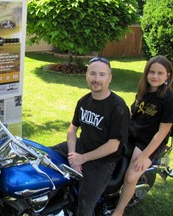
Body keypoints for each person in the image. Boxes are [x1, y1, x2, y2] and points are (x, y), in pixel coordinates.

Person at [52, 57, 130, 216]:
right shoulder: (84, 101)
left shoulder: (118, 107)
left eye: (102, 75)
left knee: (85, 208)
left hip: (102, 160)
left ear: (110, 78)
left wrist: (82, 159)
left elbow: (113, 145)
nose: (96, 79)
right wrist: (73, 154)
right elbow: (72, 130)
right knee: (45, 154)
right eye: (93, 73)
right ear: (86, 75)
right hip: (81, 147)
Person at [112, 55, 173, 216]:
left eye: (160, 73)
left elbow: (162, 132)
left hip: (149, 141)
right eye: (152, 72)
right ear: (146, 73)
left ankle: (119, 211)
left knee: (130, 176)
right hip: (132, 132)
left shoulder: (170, 101)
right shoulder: (144, 90)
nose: (155, 76)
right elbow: (132, 112)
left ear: (167, 75)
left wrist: (144, 156)